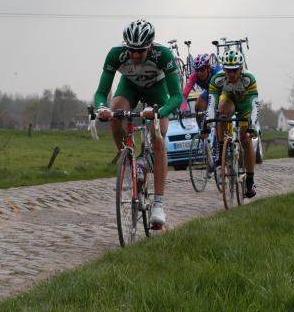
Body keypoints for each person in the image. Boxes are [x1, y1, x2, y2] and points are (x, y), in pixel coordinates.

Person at [93, 19, 183, 230]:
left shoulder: (163, 55)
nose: (135, 55)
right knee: (115, 110)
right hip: (130, 87)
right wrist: (101, 108)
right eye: (131, 50)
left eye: (140, 51)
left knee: (158, 135)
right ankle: (129, 162)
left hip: (157, 91)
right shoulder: (116, 54)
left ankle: (159, 203)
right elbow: (101, 92)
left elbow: (177, 97)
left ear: (150, 46)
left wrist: (159, 112)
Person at [209, 50, 259, 198]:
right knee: (221, 113)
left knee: (245, 138)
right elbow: (211, 104)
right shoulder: (217, 79)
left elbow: (255, 105)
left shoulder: (248, 79)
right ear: (223, 69)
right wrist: (208, 124)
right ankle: (222, 149)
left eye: (234, 70)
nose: (231, 74)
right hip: (229, 99)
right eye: (228, 70)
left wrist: (253, 126)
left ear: (241, 68)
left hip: (245, 105)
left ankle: (250, 180)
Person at [180, 54, 222, 127]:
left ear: (208, 68)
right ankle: (202, 130)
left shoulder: (217, 72)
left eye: (202, 70)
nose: (199, 73)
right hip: (209, 91)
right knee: (198, 106)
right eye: (197, 70)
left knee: (221, 109)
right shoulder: (194, 76)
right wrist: (183, 109)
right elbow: (184, 94)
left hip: (221, 92)